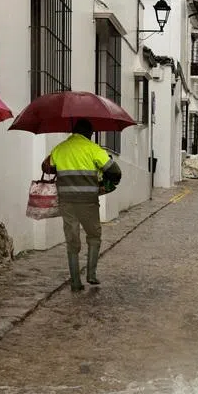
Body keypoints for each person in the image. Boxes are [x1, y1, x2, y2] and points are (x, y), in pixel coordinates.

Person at [42, 119, 122, 291]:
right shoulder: (93, 149)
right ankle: (91, 275)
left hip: (67, 201)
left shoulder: (60, 148)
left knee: (72, 239)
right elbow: (115, 171)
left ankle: (75, 282)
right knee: (93, 235)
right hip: (88, 202)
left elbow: (47, 167)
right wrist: (105, 181)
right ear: (89, 134)